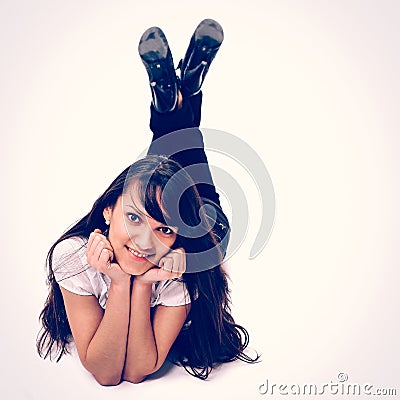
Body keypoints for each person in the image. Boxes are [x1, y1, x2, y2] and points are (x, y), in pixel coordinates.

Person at [37, 18, 259, 385]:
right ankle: (182, 93)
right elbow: (106, 373)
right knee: (180, 150)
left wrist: (135, 283)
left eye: (161, 228)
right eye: (134, 219)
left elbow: (138, 369)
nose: (145, 241)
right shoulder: (75, 258)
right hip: (207, 228)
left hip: (191, 233)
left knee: (164, 159)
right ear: (107, 210)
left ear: (173, 234)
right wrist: (122, 280)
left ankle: (175, 97)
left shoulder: (178, 265)